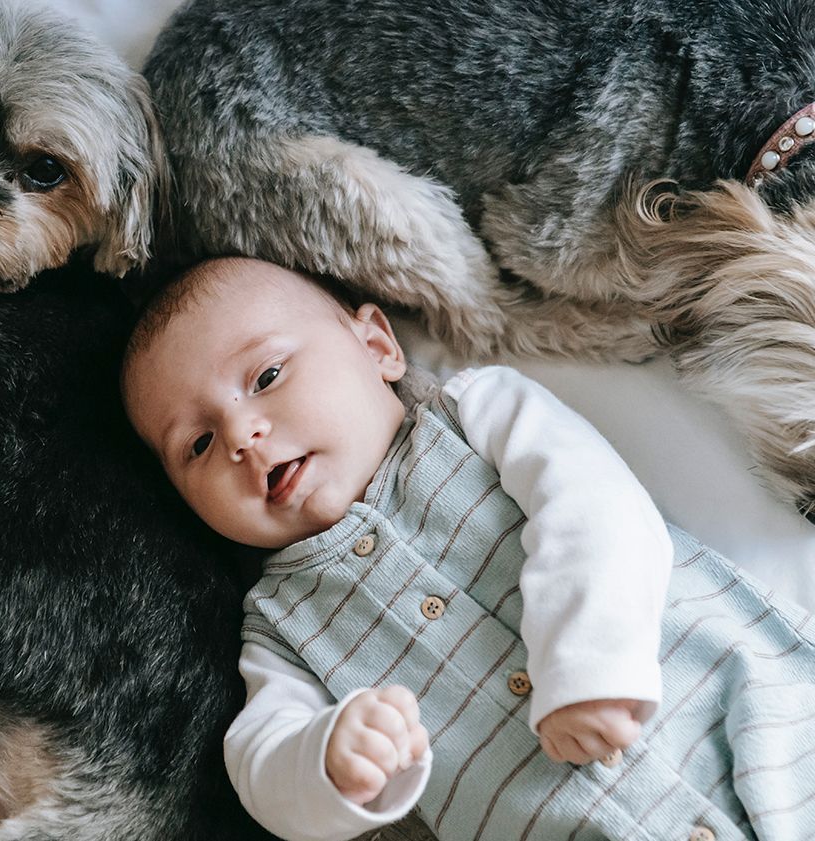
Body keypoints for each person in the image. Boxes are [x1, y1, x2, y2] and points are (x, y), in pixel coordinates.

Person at [121, 257, 815, 841]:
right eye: (198, 444)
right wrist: (329, 758)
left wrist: (590, 661)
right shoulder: (279, 627)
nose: (242, 433)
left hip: (757, 716)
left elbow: (595, 504)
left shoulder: (479, 412)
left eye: (267, 376)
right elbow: (259, 762)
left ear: (377, 347)